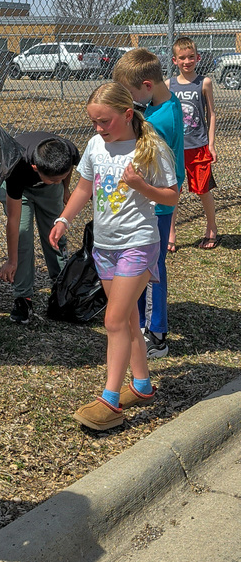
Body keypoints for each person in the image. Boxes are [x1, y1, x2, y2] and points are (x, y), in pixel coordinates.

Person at [49, 82, 178, 431]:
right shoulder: (96, 145)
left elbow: (172, 196)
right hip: (104, 247)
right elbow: (84, 187)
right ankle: (142, 385)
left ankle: (110, 401)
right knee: (126, 321)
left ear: (127, 114)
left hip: (138, 244)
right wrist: (64, 219)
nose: (98, 128)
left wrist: (141, 186)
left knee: (113, 321)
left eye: (104, 121)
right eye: (93, 121)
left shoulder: (151, 148)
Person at [113, 49, 185, 358]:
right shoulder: (169, 101)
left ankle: (156, 335)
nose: (129, 101)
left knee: (151, 269)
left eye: (129, 94)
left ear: (146, 85)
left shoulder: (155, 122)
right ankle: (142, 323)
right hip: (154, 202)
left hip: (155, 203)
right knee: (142, 263)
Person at [0, 132, 80, 324]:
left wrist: (63, 188)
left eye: (61, 178)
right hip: (21, 191)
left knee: (55, 235)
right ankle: (23, 297)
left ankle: (61, 288)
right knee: (23, 237)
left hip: (48, 191)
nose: (58, 181)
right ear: (35, 168)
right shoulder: (16, 166)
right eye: (55, 179)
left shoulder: (68, 150)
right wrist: (11, 261)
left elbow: (65, 171)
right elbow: (14, 221)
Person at [167, 35, 218, 250]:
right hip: (176, 149)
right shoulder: (169, 85)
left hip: (199, 146)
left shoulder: (204, 82)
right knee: (173, 191)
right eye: (182, 58)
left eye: (191, 57)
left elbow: (211, 114)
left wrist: (211, 144)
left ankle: (212, 228)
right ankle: (170, 232)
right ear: (174, 60)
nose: (187, 61)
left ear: (198, 57)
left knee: (203, 189)